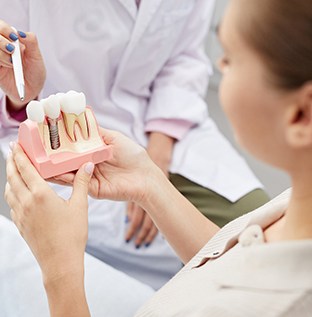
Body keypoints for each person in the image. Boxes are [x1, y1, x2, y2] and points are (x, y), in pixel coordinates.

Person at [5, 0, 312, 315]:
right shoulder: (292, 211)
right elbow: (237, 266)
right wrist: (149, 183)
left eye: (230, 60)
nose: (218, 65)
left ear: (301, 114)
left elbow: (185, 58)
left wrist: (61, 271)